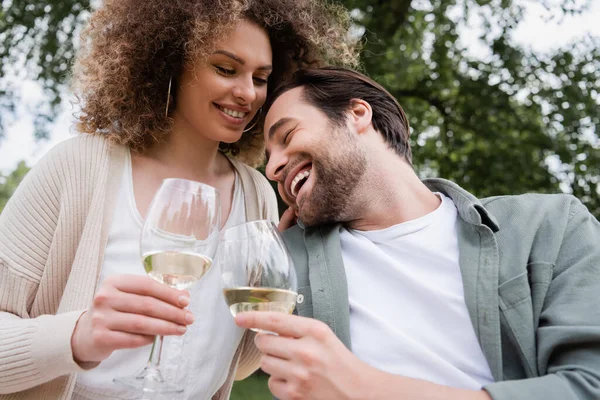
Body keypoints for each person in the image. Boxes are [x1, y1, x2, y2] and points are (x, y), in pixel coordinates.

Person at [0, 1, 358, 398]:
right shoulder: (79, 167)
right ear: (168, 63)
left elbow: (231, 362)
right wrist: (76, 336)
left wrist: (288, 276)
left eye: (261, 78)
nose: (246, 94)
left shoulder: (255, 192)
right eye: (225, 69)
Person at [235, 67, 600, 400]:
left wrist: (364, 389)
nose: (275, 168)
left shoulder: (549, 226)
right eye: (269, 158)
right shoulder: (284, 263)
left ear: (356, 114)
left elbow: (589, 384)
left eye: (287, 135)